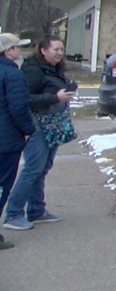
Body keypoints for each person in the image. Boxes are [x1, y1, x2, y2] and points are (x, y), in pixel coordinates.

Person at [3, 37, 75, 231]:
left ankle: (36, 210)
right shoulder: (33, 71)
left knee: (43, 168)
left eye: (62, 49)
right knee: (33, 169)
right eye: (56, 49)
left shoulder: (54, 69)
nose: (60, 53)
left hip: (53, 123)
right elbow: (25, 99)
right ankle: (13, 214)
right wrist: (55, 97)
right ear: (43, 50)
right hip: (37, 124)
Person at [0, 34, 36, 249]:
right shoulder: (13, 74)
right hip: (6, 140)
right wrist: (28, 130)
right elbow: (19, 108)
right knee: (3, 185)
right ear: (8, 51)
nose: (19, 51)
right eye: (16, 47)